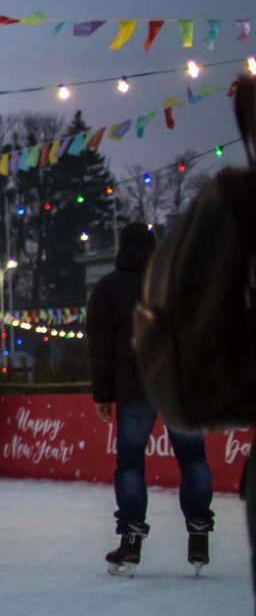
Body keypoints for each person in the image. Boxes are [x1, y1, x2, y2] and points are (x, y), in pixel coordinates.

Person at [89, 221, 214, 576]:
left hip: (134, 387)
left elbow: (101, 348)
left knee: (130, 463)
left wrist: (102, 395)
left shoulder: (108, 287)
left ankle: (130, 540)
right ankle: (200, 532)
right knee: (193, 460)